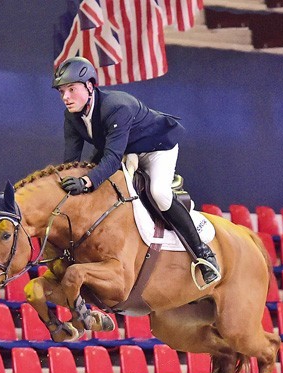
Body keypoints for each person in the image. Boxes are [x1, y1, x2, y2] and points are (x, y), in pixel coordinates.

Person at [52, 56, 221, 287]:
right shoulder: (71, 117)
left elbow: (112, 159)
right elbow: (71, 161)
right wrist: (66, 183)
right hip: (126, 149)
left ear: (90, 86)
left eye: (71, 89)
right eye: (62, 91)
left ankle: (203, 254)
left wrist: (87, 182)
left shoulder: (116, 107)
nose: (65, 97)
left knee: (158, 192)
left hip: (157, 149)